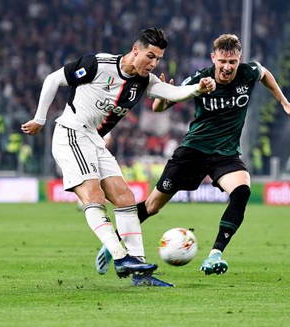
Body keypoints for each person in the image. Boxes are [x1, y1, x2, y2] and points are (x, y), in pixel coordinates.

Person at [95, 34, 290, 276]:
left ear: (240, 60)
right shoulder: (199, 79)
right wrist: (165, 95)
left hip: (225, 154)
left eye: (233, 62)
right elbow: (158, 107)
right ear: (213, 58)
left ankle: (215, 255)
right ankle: (112, 244)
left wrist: (284, 102)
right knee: (152, 206)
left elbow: (265, 73)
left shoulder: (249, 73)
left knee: (242, 191)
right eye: (223, 61)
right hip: (193, 151)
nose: (227, 67)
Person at [21, 28, 216, 287]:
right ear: (135, 50)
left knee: (125, 198)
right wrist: (39, 118)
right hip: (71, 133)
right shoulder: (97, 64)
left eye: (158, 58)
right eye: (150, 56)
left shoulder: (145, 82)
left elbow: (173, 93)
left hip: (94, 140)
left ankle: (140, 273)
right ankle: (121, 257)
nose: (154, 63)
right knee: (93, 196)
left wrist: (198, 89)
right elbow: (53, 79)